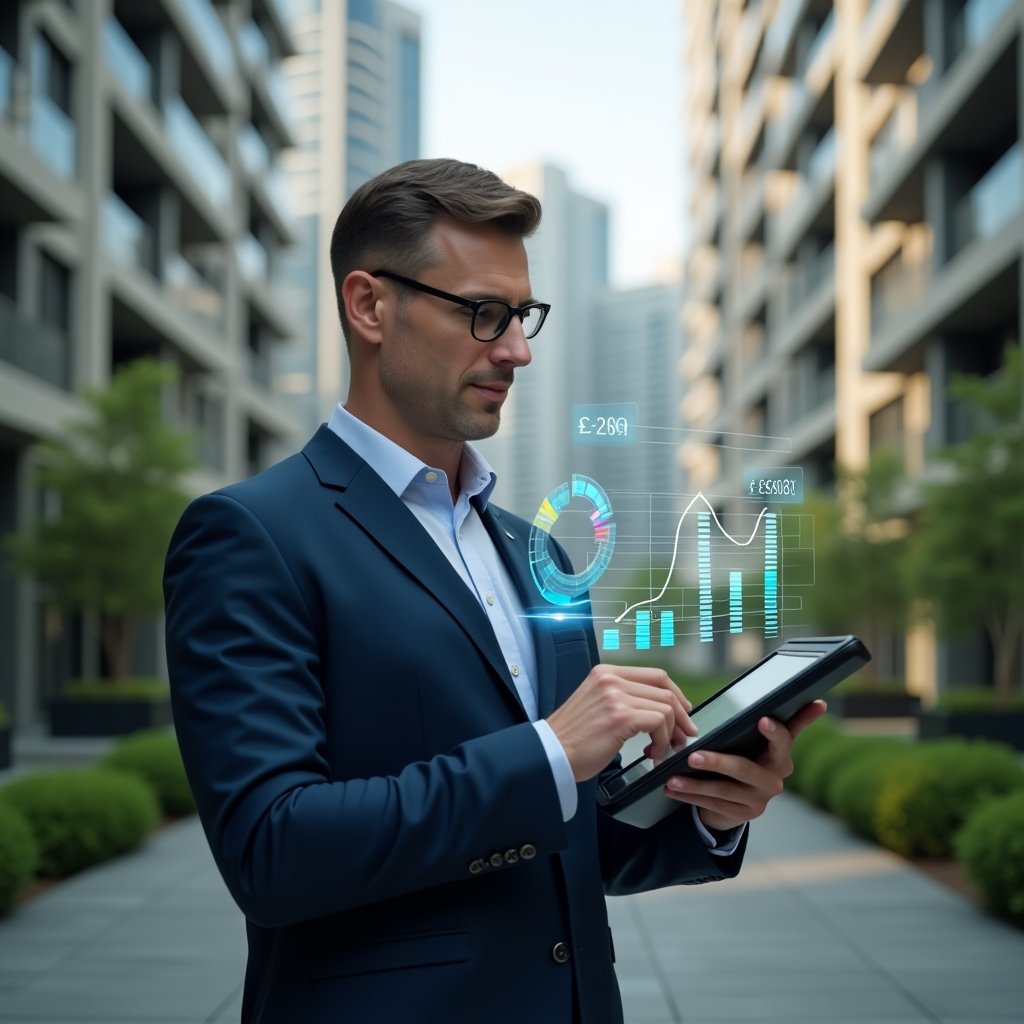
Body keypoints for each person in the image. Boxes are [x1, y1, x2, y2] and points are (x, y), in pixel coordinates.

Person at [164, 158, 824, 1024]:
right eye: (481, 313)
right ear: (369, 305)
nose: (514, 349)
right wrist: (552, 749)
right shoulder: (251, 535)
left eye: (521, 316)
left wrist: (704, 809)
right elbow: (273, 850)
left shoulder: (536, 548)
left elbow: (569, 843)